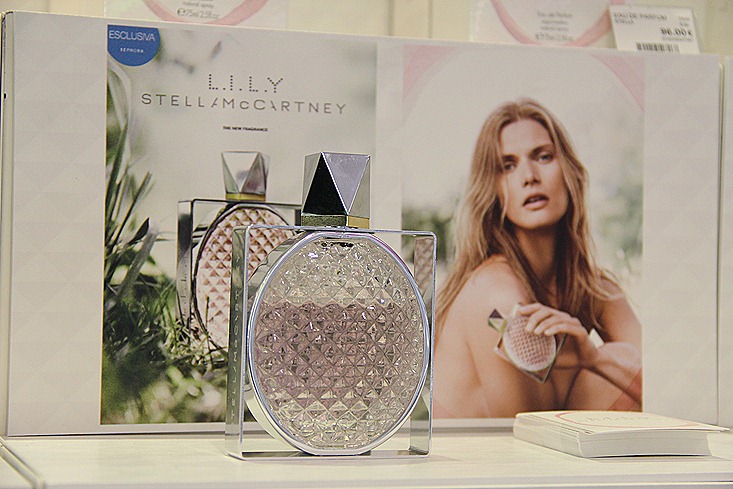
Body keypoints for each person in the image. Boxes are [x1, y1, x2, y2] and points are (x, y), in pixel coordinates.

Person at [433, 98, 642, 418]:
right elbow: (522, 431)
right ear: (492, 189)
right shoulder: (495, 296)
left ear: (570, 171)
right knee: (611, 372)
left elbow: (667, 386)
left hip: (540, 446)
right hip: (484, 450)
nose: (529, 176)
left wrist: (594, 358)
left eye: (543, 157)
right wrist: (601, 365)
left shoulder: (590, 287)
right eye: (508, 166)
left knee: (618, 367)